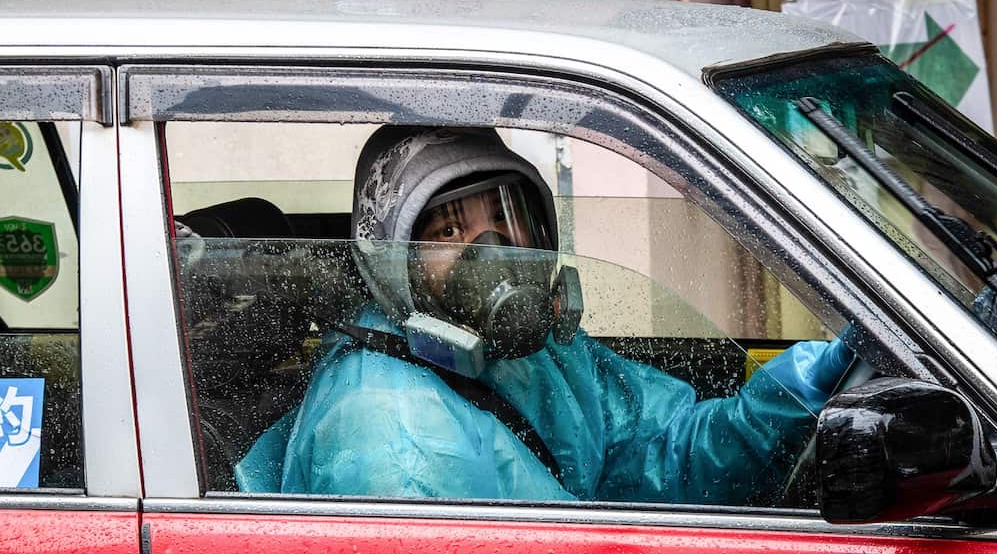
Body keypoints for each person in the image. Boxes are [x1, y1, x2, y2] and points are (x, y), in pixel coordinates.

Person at [240, 125, 857, 503]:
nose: (495, 254)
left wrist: (785, 400)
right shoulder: (395, 434)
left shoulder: (535, 355)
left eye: (506, 218)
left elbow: (654, 455)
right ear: (392, 266)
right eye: (450, 231)